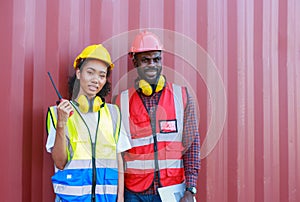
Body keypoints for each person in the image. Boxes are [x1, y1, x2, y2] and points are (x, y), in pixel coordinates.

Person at [114, 30, 200, 202]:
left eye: (156, 59)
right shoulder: (121, 102)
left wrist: (190, 189)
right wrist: (120, 195)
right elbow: (117, 154)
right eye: (145, 60)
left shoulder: (181, 97)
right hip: (134, 193)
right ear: (135, 62)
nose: (152, 64)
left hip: (173, 190)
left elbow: (192, 147)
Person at [46, 44, 131, 202]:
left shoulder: (113, 113)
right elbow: (59, 162)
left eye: (101, 75)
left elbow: (119, 158)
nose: (96, 80)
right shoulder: (57, 113)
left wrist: (120, 198)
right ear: (78, 73)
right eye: (90, 72)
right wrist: (62, 124)